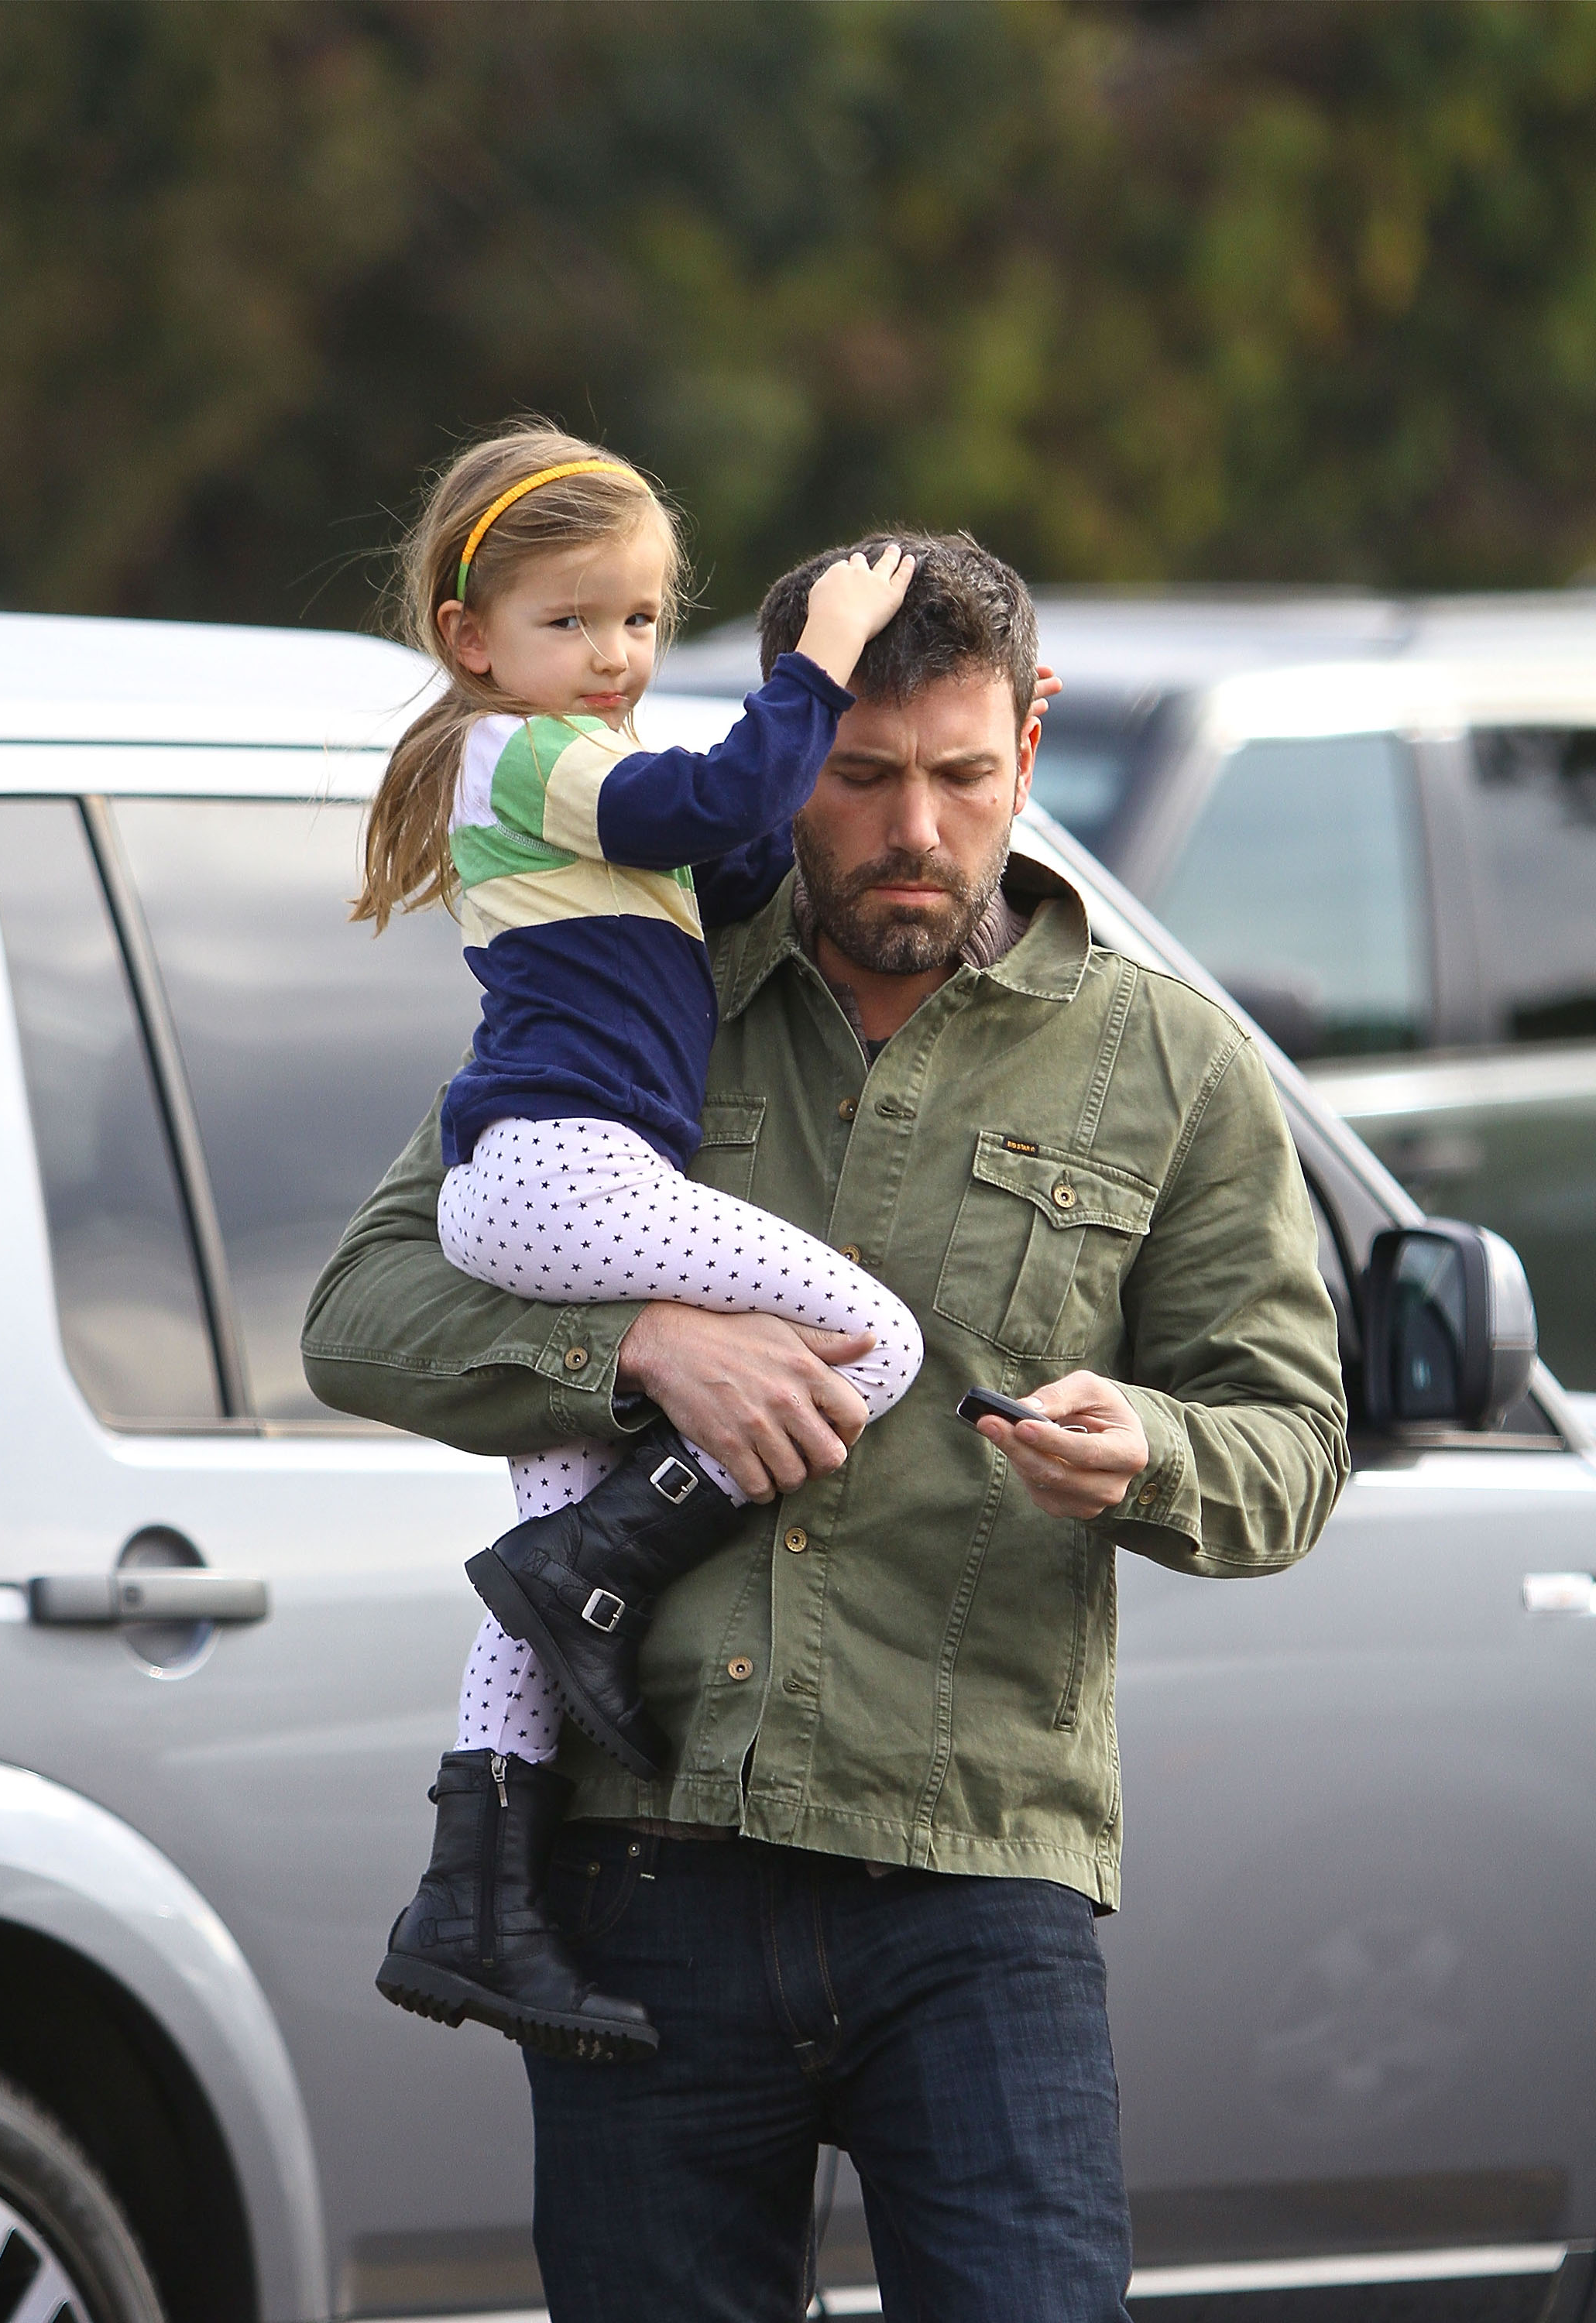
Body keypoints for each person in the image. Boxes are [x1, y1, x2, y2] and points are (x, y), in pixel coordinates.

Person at [306, 528, 1349, 2321]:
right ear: (788, 744)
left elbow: (1290, 1440)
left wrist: (1149, 1456)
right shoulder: (634, 963)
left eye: (960, 775)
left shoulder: (1172, 1063)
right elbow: (364, 1313)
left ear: (1033, 731)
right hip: (640, 1876)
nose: (916, 832)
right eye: (859, 778)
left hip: (979, 1876)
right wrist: (640, 1346)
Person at [351, 423, 936, 2062]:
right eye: (572, 623)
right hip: (567, 1172)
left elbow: (735, 844)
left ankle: (472, 1902)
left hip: (545, 1180)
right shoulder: (518, 753)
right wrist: (815, 662)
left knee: (549, 1519)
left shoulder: (559, 771)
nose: (612, 658)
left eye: (639, 623)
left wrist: (764, 807)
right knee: (876, 1344)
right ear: (475, 640)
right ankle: (593, 1577)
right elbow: (731, 790)